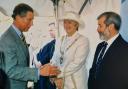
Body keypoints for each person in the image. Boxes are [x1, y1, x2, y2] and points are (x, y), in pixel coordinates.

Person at [0, 3, 60, 89]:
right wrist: (38, 72)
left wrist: (40, 68)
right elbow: (10, 70)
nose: (32, 24)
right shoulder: (7, 39)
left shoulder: (18, 34)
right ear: (18, 18)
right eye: (29, 20)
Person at [88, 11, 128, 89]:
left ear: (111, 27)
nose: (97, 29)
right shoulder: (100, 46)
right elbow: (93, 71)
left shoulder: (125, 49)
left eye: (100, 26)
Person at [50, 11, 89, 89]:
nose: (66, 25)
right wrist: (53, 76)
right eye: (65, 22)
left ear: (76, 25)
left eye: (70, 22)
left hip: (75, 84)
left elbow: (77, 63)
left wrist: (57, 74)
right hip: (60, 82)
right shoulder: (60, 39)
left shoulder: (83, 40)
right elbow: (54, 59)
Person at [36, 22, 56, 89]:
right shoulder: (50, 44)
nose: (50, 32)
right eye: (49, 30)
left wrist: (40, 63)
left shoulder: (55, 44)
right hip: (43, 75)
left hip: (49, 76)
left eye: (51, 30)